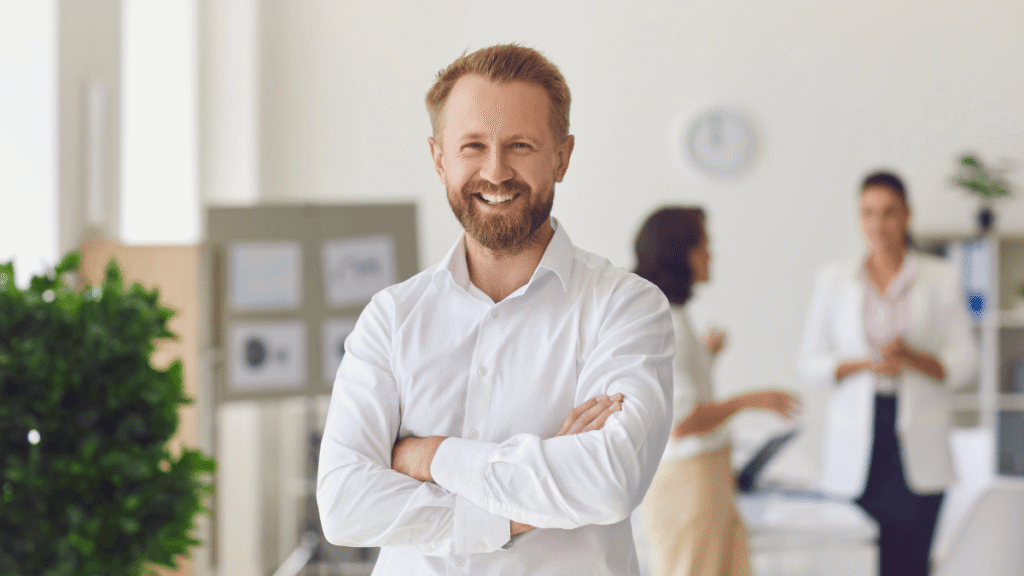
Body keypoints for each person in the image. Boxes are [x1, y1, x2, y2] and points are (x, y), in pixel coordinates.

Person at [315, 44, 675, 575]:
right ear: (440, 160)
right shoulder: (392, 318)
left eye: (521, 146)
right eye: (473, 146)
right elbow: (345, 504)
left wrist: (429, 456)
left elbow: (608, 480)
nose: (496, 171)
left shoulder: (626, 308)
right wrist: (520, 510)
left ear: (562, 156)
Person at [798, 171, 978, 576]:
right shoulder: (834, 280)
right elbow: (811, 362)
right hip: (858, 448)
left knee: (909, 566)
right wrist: (864, 363)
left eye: (889, 213)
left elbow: (966, 362)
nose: (878, 224)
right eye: (868, 213)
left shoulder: (940, 277)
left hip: (917, 451)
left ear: (907, 216)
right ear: (859, 218)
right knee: (855, 565)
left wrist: (912, 357)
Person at [635, 207, 801, 576]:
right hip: (689, 483)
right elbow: (683, 421)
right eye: (703, 246)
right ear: (680, 254)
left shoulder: (671, 316)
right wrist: (753, 400)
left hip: (703, 479)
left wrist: (704, 357)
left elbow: (677, 395)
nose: (710, 255)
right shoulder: (667, 321)